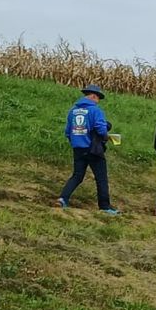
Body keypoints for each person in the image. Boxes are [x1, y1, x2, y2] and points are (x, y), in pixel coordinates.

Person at [57, 85, 117, 214]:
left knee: (77, 175)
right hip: (93, 148)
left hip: (78, 148)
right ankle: (105, 206)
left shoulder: (73, 111)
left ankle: (63, 198)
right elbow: (100, 128)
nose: (98, 101)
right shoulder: (95, 110)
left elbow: (68, 131)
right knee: (101, 178)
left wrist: (75, 141)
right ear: (94, 96)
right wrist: (106, 136)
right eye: (98, 98)